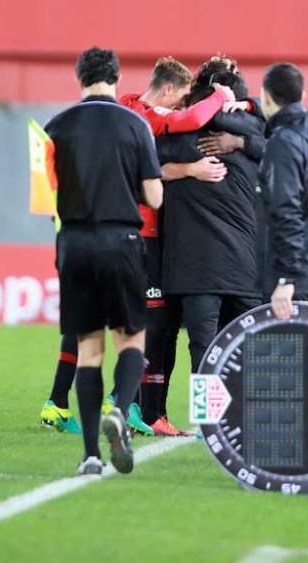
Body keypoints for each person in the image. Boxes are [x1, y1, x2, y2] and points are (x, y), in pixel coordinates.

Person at [44, 47, 164, 475]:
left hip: (74, 243)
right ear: (115, 78)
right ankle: (122, 408)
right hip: (122, 239)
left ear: (80, 79)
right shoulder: (135, 124)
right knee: (131, 340)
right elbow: (153, 195)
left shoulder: (55, 126)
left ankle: (91, 455)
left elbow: (46, 195)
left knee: (88, 351)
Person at [117, 57, 238, 436]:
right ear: (167, 90)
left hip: (148, 238)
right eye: (182, 97)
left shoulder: (132, 105)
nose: (184, 106)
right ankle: (139, 409)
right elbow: (186, 124)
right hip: (142, 235)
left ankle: (143, 410)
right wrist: (220, 95)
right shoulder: (142, 115)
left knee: (157, 328)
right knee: (161, 329)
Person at [157, 58, 266, 373]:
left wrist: (185, 170)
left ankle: (208, 423)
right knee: (249, 351)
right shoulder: (260, 137)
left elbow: (142, 171)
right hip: (245, 268)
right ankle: (248, 421)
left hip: (196, 268)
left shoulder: (174, 135)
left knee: (204, 353)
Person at [259, 62, 308, 317]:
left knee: (280, 357)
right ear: (302, 96)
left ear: (266, 96)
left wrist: (286, 279)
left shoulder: (284, 142)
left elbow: (286, 212)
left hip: (291, 283)